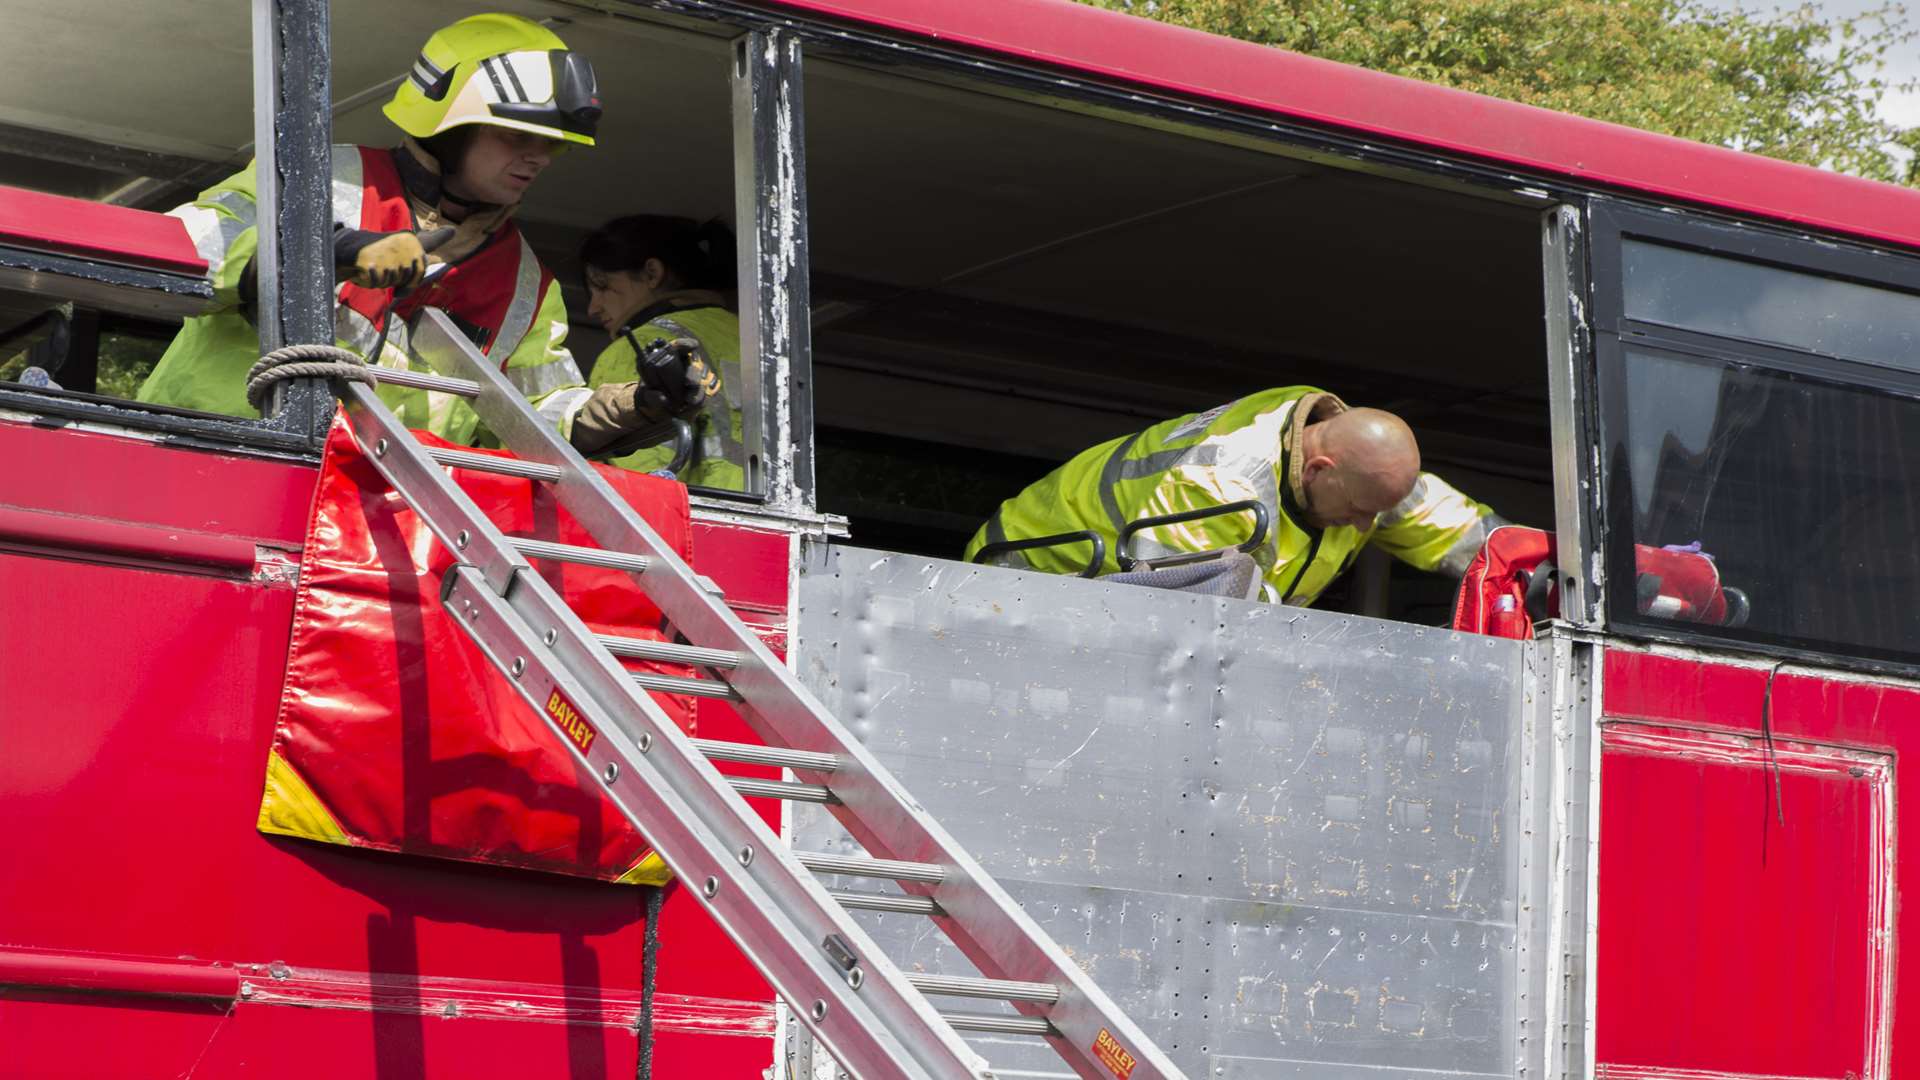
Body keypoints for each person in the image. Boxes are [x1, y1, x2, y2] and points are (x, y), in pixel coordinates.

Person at [137, 13, 702, 453]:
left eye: (552, 144)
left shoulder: (525, 282)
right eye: (516, 137)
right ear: (448, 128)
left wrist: (633, 405)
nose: (539, 159)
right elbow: (174, 257)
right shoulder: (314, 177)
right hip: (213, 460)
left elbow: (531, 419)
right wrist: (329, 251)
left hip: (377, 528)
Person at [964, 387, 1506, 606]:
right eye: (1361, 514)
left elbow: (1452, 528)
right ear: (1318, 468)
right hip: (1025, 586)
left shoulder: (1360, 473)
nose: (1365, 528)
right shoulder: (1221, 483)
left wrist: (1531, 570)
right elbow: (1200, 615)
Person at [578, 215, 747, 490]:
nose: (592, 307)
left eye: (601, 286)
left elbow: (636, 481)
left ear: (652, 273)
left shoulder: (643, 345)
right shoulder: (755, 338)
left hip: (684, 523)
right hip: (767, 523)